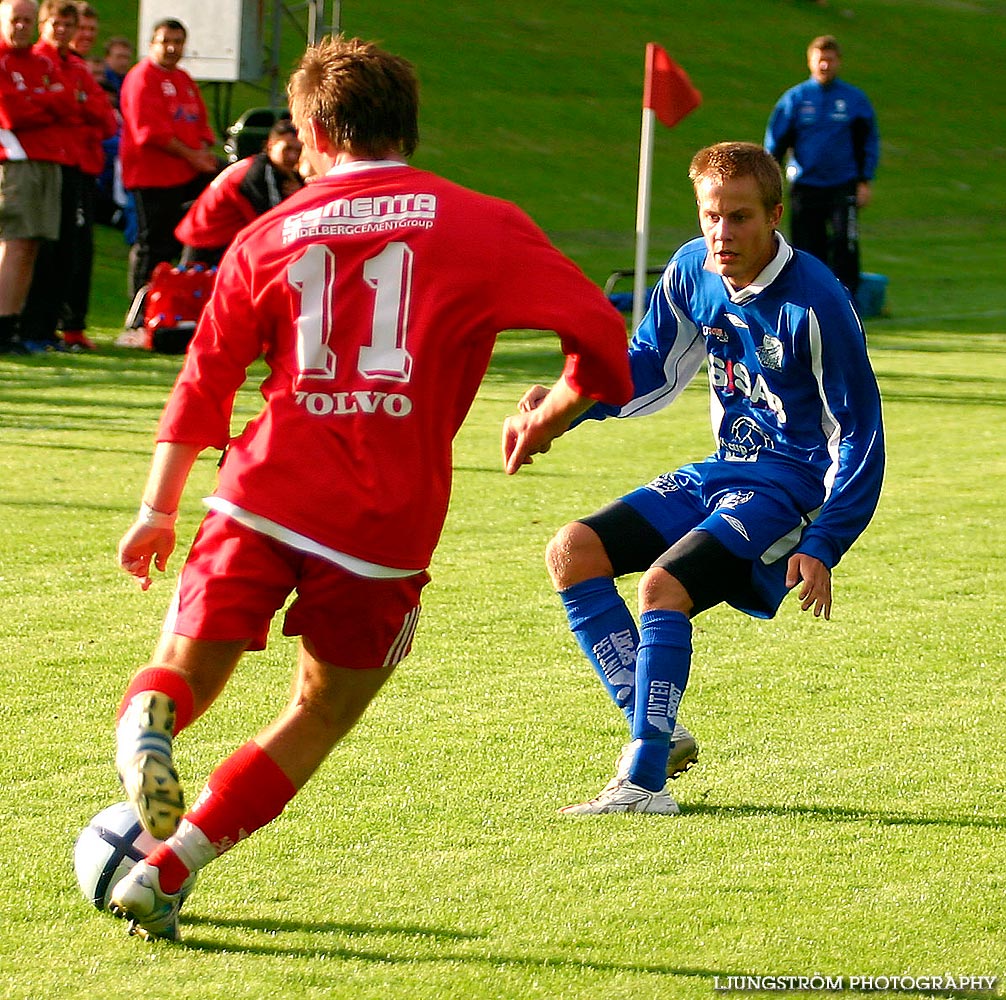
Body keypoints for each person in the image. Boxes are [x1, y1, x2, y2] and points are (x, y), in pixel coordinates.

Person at [106, 34, 632, 941]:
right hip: (383, 522)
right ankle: (167, 869)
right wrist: (550, 412)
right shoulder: (482, 222)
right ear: (408, 131)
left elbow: (204, 380)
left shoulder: (270, 232)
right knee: (321, 710)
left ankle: (145, 729)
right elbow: (601, 342)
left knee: (190, 672)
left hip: (260, 490)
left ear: (312, 130)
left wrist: (158, 508)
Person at [503, 141, 885, 815]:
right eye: (712, 216)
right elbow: (649, 366)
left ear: (774, 216)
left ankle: (643, 783)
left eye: (739, 218)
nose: (721, 233)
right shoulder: (692, 269)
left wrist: (824, 543)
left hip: (789, 487)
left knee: (662, 587)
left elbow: (859, 434)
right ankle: (658, 729)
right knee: (572, 551)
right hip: (724, 471)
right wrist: (565, 404)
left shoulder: (817, 305)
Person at [19, 0, 115, 351]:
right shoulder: (35, 61)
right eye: (57, 23)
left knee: (71, 250)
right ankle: (32, 327)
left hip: (80, 165)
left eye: (68, 25)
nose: (63, 30)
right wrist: (73, 106)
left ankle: (51, 329)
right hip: (49, 164)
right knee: (42, 247)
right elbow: (45, 108)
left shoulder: (75, 66)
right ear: (43, 24)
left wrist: (73, 105)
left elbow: (104, 118)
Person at [764, 35, 879, 296]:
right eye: (820, 60)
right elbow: (775, 143)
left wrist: (864, 180)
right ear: (810, 62)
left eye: (830, 60)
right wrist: (769, 183)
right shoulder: (795, 99)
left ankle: (847, 300)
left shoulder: (854, 100)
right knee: (806, 247)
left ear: (838, 62)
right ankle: (808, 297)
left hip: (843, 184)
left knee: (844, 243)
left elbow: (867, 142)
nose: (825, 65)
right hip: (806, 185)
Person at [119, 17, 217, 303]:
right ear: (151, 44)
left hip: (184, 174)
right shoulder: (142, 77)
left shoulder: (183, 79)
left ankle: (176, 302)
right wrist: (194, 156)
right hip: (152, 175)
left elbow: (200, 124)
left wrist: (203, 153)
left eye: (178, 42)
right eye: (166, 42)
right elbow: (150, 133)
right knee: (152, 245)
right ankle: (139, 312)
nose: (172, 48)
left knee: (186, 238)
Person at [0, 0, 74, 354]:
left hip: (48, 157)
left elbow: (69, 104)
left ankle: (12, 323)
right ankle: (2, 327)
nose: (21, 26)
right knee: (14, 243)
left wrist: (39, 100)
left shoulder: (42, 61)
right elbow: (13, 113)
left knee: (31, 246)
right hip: (16, 160)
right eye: (15, 19)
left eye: (27, 20)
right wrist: (45, 101)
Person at [175, 119, 305, 267]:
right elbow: (272, 221)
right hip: (208, 241)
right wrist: (299, 197)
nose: (293, 157)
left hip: (213, 236)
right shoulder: (259, 173)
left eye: (298, 151)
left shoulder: (273, 169)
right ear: (270, 146)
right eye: (287, 149)